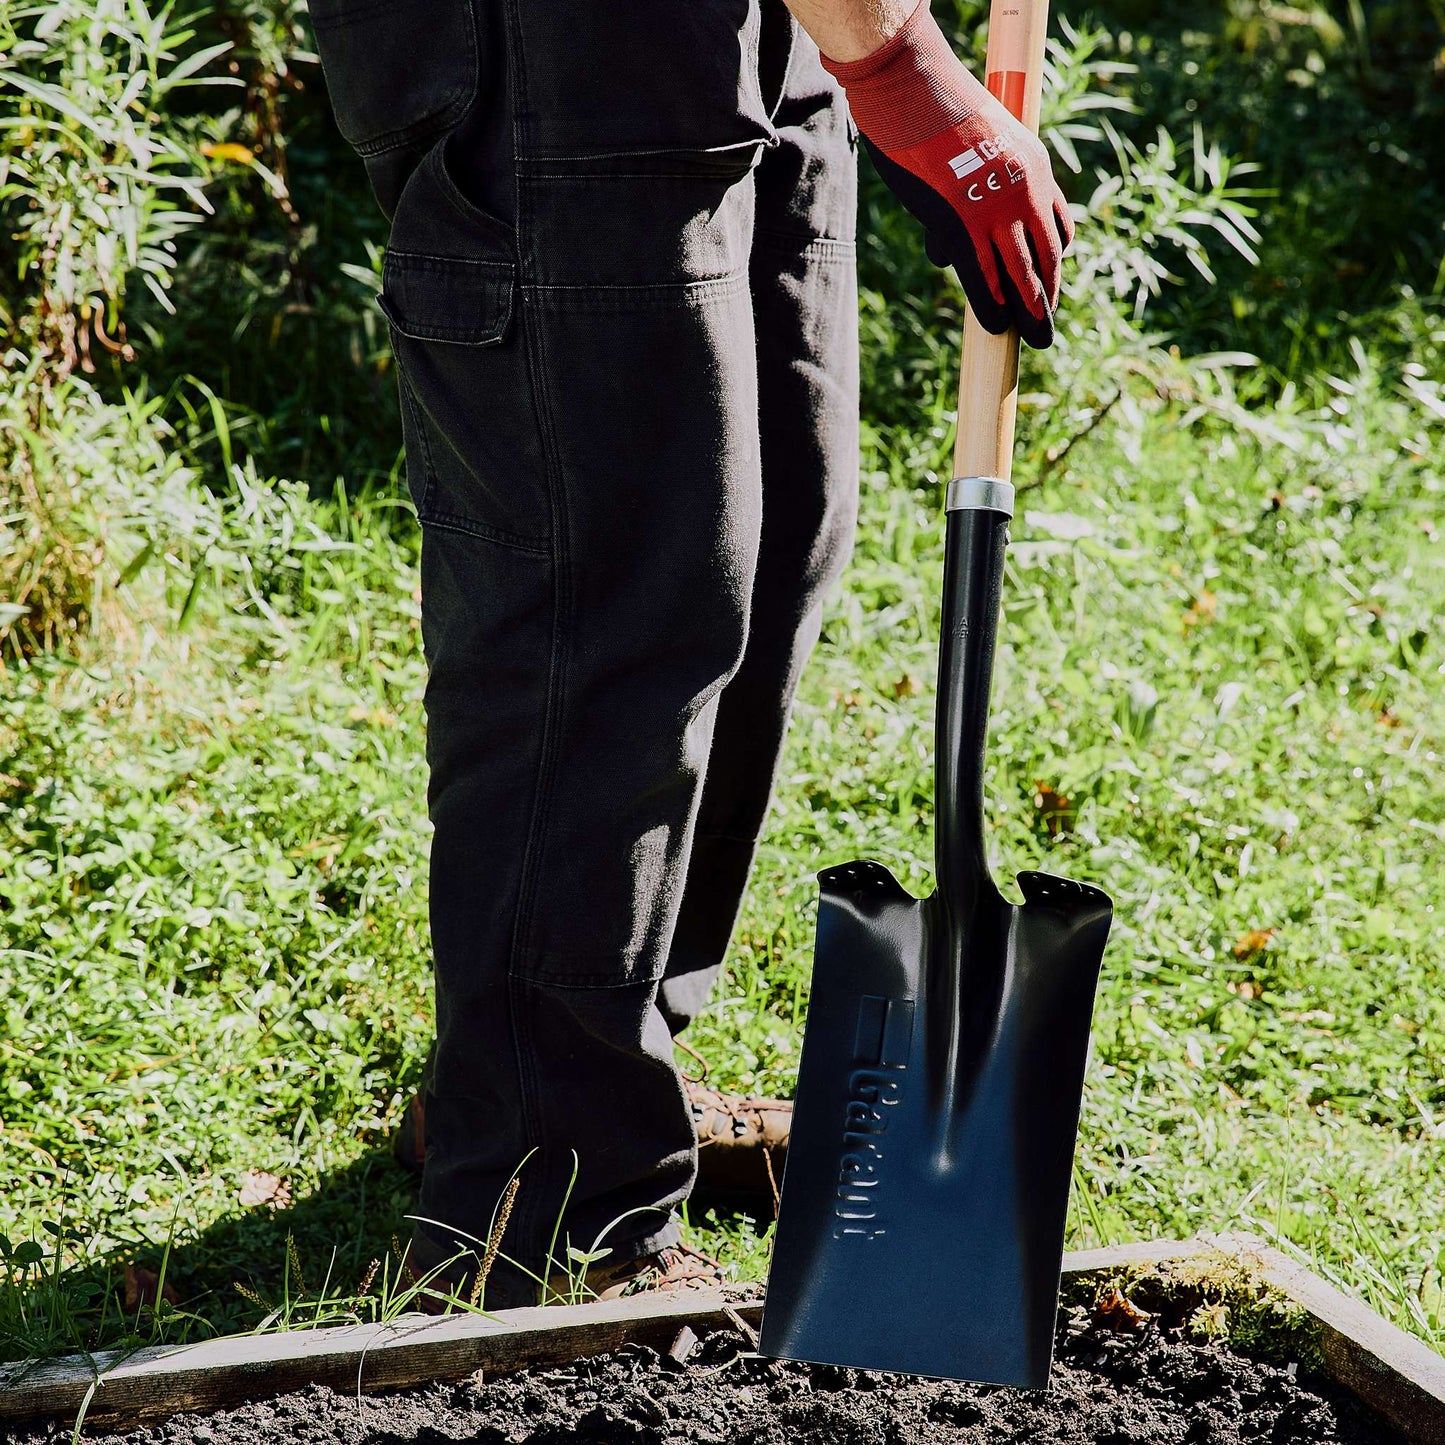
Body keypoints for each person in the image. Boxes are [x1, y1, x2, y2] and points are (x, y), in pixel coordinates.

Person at [309, 0, 1072, 1307]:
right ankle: (541, 1204)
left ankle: (581, 1079)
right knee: (611, 585)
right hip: (556, 47)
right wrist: (898, 63)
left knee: (768, 547)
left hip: (761, 27)